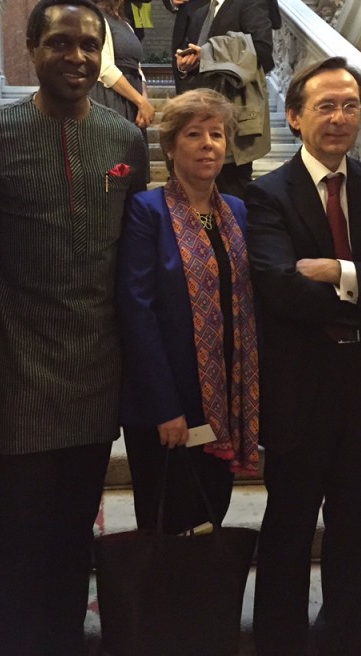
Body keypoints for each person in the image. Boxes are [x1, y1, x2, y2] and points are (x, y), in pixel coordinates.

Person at [246, 57, 361, 655]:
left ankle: (346, 635)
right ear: (295, 117)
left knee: (355, 527)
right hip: (300, 387)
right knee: (289, 524)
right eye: (326, 106)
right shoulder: (265, 195)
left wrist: (339, 273)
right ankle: (281, 639)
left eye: (350, 105)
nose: (340, 117)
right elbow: (280, 289)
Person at [0, 0, 148, 655]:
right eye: (60, 43)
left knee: (77, 529)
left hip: (94, 370)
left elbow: (134, 253)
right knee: (22, 535)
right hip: (19, 370)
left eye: (88, 44)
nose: (76, 56)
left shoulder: (125, 139)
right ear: (32, 49)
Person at [117, 88, 258, 535]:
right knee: (164, 523)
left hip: (224, 400)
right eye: (194, 134)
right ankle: (161, 606)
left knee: (209, 514)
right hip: (167, 403)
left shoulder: (235, 211)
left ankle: (201, 605)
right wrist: (165, 408)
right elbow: (137, 311)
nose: (208, 144)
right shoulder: (147, 211)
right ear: (171, 145)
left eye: (216, 134)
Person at [176, 0, 273, 197]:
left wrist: (209, 52)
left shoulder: (249, 1)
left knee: (233, 196)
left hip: (235, 120)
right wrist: (189, 64)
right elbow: (204, 62)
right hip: (204, 119)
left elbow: (263, 51)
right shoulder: (200, 14)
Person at [80, 0, 156, 130]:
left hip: (132, 105)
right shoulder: (95, 17)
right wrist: (139, 100)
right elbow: (103, 67)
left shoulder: (124, 23)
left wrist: (143, 100)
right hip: (110, 103)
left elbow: (137, 68)